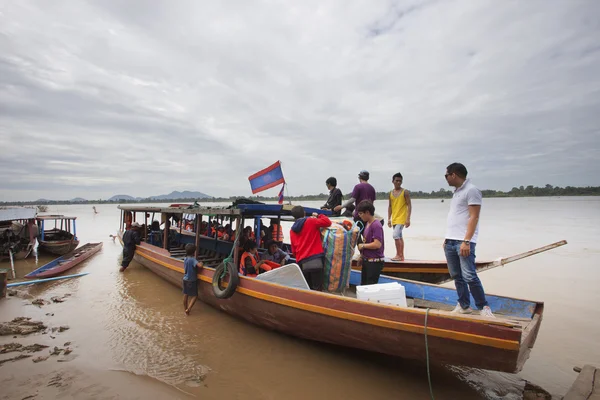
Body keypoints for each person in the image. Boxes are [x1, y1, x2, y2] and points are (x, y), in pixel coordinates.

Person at [443, 162, 494, 318]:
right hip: (451, 241)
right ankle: (464, 305)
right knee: (457, 276)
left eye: (446, 175)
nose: (445, 179)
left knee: (469, 276)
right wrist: (447, 239)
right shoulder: (457, 192)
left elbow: (474, 216)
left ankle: (483, 307)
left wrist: (466, 241)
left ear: (454, 175)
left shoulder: (472, 190)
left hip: (463, 242)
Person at [289, 206, 332, 290]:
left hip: (302, 263)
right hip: (315, 261)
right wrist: (319, 215)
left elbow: (293, 250)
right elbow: (328, 222)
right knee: (317, 290)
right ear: (304, 213)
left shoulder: (292, 230)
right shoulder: (311, 221)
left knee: (307, 289)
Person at [356, 201, 385, 285]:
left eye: (361, 213)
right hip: (367, 260)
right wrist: (361, 256)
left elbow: (377, 244)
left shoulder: (376, 225)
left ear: (367, 212)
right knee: (363, 285)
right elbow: (366, 240)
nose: (360, 215)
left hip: (374, 262)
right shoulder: (368, 224)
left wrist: (363, 246)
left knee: (370, 287)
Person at [387, 172, 412, 261]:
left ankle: (399, 255)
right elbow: (390, 206)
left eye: (400, 181)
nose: (398, 182)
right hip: (394, 218)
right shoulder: (390, 193)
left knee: (396, 235)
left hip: (402, 218)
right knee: (399, 236)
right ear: (393, 181)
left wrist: (408, 219)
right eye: (396, 181)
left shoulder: (405, 192)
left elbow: (409, 205)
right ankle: (401, 256)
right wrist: (389, 219)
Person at [183, 244, 203, 315]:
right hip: (191, 280)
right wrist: (201, 263)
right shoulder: (192, 259)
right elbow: (200, 266)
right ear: (193, 252)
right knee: (195, 296)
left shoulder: (185, 258)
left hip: (185, 279)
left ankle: (185, 309)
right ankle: (188, 309)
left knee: (186, 294)